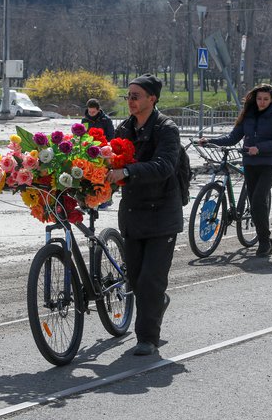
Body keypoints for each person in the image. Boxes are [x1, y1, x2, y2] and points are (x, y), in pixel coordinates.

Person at [105, 74, 183, 356]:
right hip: (133, 215)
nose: (130, 101)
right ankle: (157, 303)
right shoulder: (124, 127)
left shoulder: (166, 129)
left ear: (152, 99)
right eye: (128, 96)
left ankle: (147, 338)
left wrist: (127, 172)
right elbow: (110, 158)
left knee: (151, 279)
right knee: (137, 279)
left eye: (136, 96)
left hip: (162, 215)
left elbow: (164, 166)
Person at [199, 83, 272, 257]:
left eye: (266, 99)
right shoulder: (248, 115)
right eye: (259, 98)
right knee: (254, 203)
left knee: (258, 201)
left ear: (271, 100)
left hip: (268, 164)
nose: (262, 102)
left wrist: (259, 148)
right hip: (250, 164)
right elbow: (232, 138)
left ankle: (265, 241)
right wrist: (211, 141)